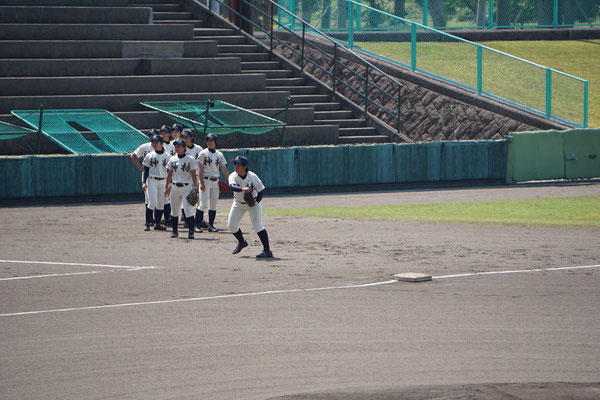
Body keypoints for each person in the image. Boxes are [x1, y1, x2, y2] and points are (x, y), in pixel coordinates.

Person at [228, 155, 273, 258]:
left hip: (252, 204)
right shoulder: (233, 176)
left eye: (238, 165)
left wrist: (256, 202)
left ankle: (267, 251)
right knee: (231, 226)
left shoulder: (252, 176)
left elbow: (260, 191)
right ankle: (242, 242)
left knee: (258, 225)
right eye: (235, 164)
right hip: (238, 204)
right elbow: (231, 186)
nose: (236, 167)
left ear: (244, 167)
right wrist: (242, 189)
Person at [165, 138, 199, 239]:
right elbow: (169, 174)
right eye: (176, 146)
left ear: (184, 147)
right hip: (174, 187)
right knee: (174, 210)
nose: (177, 148)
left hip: (186, 187)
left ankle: (191, 232)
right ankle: (175, 231)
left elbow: (193, 174)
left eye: (179, 146)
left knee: (188, 209)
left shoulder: (190, 159)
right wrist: (166, 186)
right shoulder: (172, 159)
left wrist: (195, 188)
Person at [196, 133, 230, 232]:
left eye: (211, 140)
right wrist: (201, 182)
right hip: (205, 181)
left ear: (215, 142)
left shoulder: (219, 154)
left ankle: (211, 226)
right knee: (202, 204)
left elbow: (224, 169)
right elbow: (200, 169)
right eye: (208, 140)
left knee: (213, 204)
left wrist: (230, 181)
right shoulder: (202, 153)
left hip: (215, 182)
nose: (209, 142)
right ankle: (196, 225)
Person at [130, 129, 159, 227]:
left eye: (154, 135)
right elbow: (133, 155)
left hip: (160, 176)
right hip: (148, 175)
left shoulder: (162, 148)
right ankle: (150, 220)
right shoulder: (145, 146)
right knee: (148, 199)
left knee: (159, 200)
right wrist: (139, 167)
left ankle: (157, 220)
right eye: (150, 136)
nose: (152, 137)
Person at [141, 134, 170, 231]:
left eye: (156, 142)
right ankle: (147, 223)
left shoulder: (168, 156)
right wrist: (144, 182)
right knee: (152, 202)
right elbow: (145, 170)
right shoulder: (149, 155)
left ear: (162, 143)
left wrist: (169, 184)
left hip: (163, 181)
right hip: (152, 180)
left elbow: (170, 172)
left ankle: (157, 223)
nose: (154, 144)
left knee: (161, 203)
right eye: (153, 142)